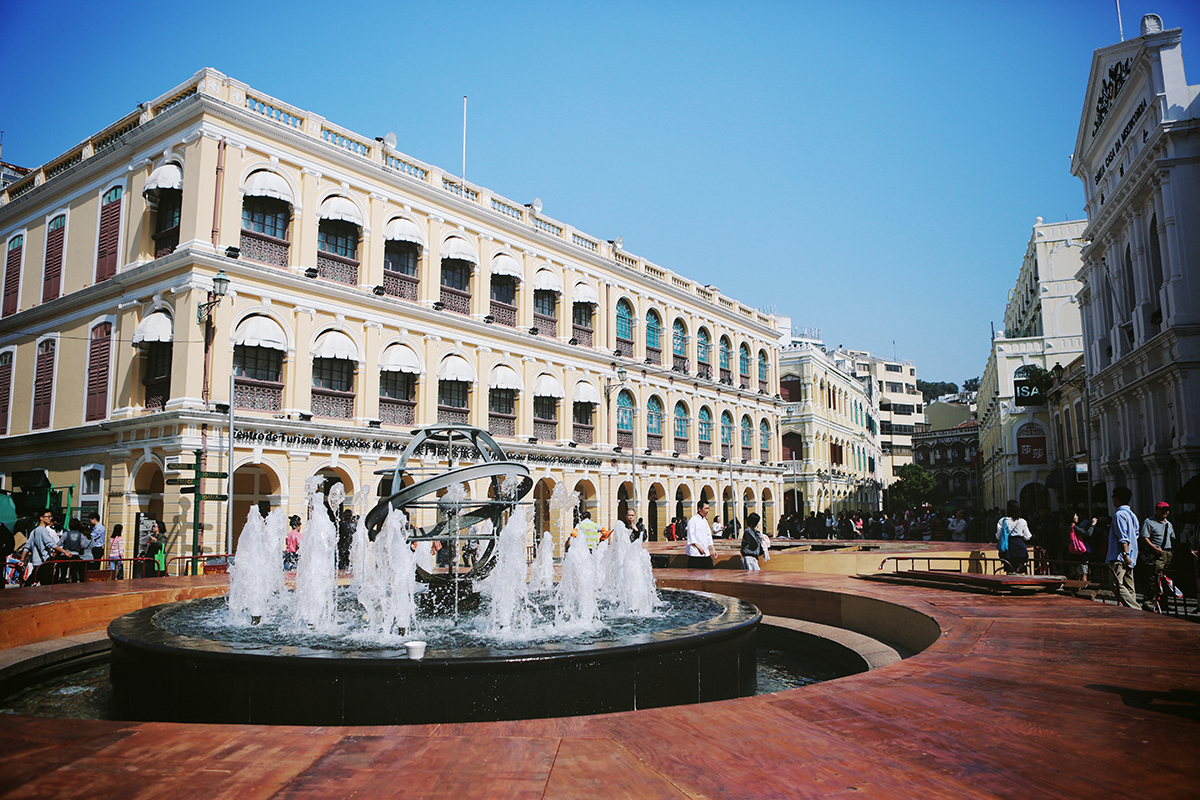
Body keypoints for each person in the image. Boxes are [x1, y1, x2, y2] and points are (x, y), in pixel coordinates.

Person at [1138, 501, 1175, 612]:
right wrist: (1155, 548)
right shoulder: (1149, 522)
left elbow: (1172, 538)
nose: (1165, 512)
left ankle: (1163, 602)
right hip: (1156, 554)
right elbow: (1144, 537)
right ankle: (1148, 602)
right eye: (1162, 509)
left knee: (1166, 580)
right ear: (1156, 510)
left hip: (1167, 553)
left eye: (1167, 510)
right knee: (1154, 579)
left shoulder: (1168, 524)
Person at [1107, 487, 1140, 609]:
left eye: (1113, 497)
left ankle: (1135, 608)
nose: (1112, 499)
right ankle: (1133, 612)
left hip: (1120, 555)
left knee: (1116, 583)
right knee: (1129, 584)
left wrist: (1125, 554)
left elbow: (1122, 537)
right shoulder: (1132, 514)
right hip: (1131, 554)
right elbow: (1136, 534)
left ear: (1117, 498)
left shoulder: (1119, 515)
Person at [996, 501, 1032, 574]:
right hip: (1020, 547)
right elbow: (1027, 537)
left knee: (1010, 570)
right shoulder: (1022, 521)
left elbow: (998, 536)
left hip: (1008, 548)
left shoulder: (1003, 521)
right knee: (1021, 570)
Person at [23, 511, 58, 586]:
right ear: (41, 518)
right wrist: (65, 552)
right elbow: (51, 544)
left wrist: (22, 559)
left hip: (37, 561)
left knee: (31, 582)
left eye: (50, 517)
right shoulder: (43, 530)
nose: (50, 519)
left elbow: (27, 546)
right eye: (47, 517)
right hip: (44, 562)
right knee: (47, 585)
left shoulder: (34, 531)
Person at [685, 499, 716, 569]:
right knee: (695, 574)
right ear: (699, 509)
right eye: (706, 508)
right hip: (695, 554)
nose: (707, 511)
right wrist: (698, 547)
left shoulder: (705, 521)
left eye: (708, 509)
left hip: (705, 552)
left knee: (709, 571)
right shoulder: (692, 520)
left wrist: (713, 549)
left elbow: (708, 535)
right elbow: (691, 536)